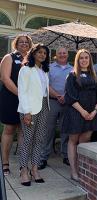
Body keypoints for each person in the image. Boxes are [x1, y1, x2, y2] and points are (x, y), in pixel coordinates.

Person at [62, 49, 97, 181]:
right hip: (76, 112)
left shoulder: (95, 76)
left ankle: (82, 169)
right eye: (81, 58)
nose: (84, 60)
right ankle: (74, 171)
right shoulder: (72, 75)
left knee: (84, 142)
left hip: (91, 113)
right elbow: (70, 96)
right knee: (73, 141)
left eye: (86, 57)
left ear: (90, 60)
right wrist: (83, 111)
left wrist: (94, 111)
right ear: (77, 60)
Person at [18, 43, 50, 186]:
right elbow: (22, 92)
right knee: (27, 140)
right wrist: (27, 112)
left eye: (45, 53)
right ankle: (23, 170)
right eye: (40, 52)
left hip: (44, 107)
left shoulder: (44, 70)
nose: (42, 55)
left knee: (39, 140)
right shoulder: (26, 70)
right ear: (33, 53)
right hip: (29, 109)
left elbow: (44, 91)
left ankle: (35, 169)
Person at [0, 35, 33, 175]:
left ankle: (23, 165)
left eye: (26, 42)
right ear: (16, 44)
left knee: (23, 130)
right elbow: (5, 79)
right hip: (11, 97)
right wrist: (21, 94)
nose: (24, 44)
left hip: (28, 99)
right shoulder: (9, 57)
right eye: (21, 42)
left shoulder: (32, 59)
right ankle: (5, 163)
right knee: (9, 128)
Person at [39, 47, 73, 170]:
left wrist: (65, 96)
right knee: (48, 130)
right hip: (52, 101)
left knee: (65, 130)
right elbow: (45, 84)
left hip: (68, 103)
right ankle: (43, 157)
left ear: (67, 54)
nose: (62, 55)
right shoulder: (49, 67)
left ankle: (65, 155)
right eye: (60, 53)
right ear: (56, 55)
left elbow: (73, 85)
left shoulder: (73, 68)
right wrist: (57, 95)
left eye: (64, 53)